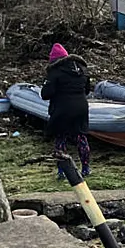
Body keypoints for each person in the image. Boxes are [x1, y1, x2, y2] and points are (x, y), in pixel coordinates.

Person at [41, 43, 91, 178]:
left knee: (60, 138)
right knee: (81, 137)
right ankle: (86, 168)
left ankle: (62, 171)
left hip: (62, 109)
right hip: (81, 107)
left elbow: (45, 94)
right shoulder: (82, 69)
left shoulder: (54, 72)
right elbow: (87, 89)